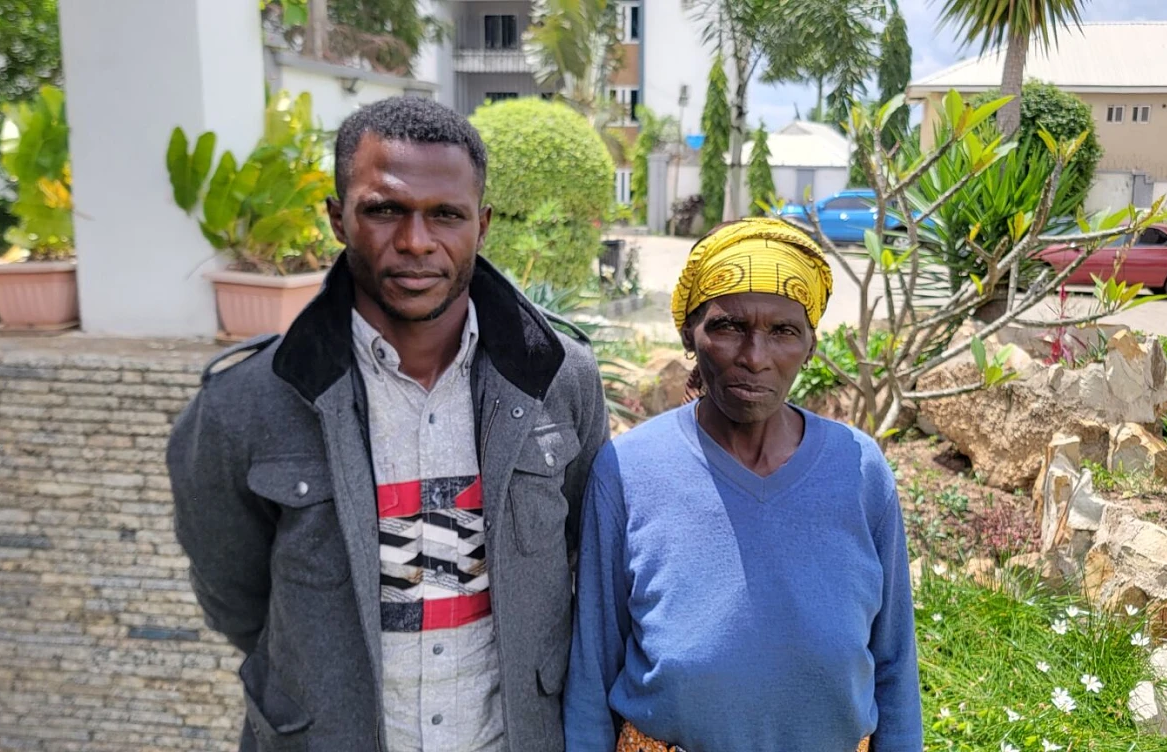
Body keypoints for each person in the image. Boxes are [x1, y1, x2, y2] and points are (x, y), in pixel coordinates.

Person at [168, 96, 608, 752]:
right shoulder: (244, 407)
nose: (415, 242)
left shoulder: (558, 380)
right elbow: (234, 596)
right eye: (384, 210)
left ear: (481, 225)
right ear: (338, 219)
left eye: (446, 215)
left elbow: (578, 550)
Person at [564, 218, 922, 752]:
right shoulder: (629, 469)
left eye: (783, 331)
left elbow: (894, 662)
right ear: (691, 334)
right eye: (729, 326)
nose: (755, 357)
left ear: (810, 344)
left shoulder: (859, 469)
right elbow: (593, 667)